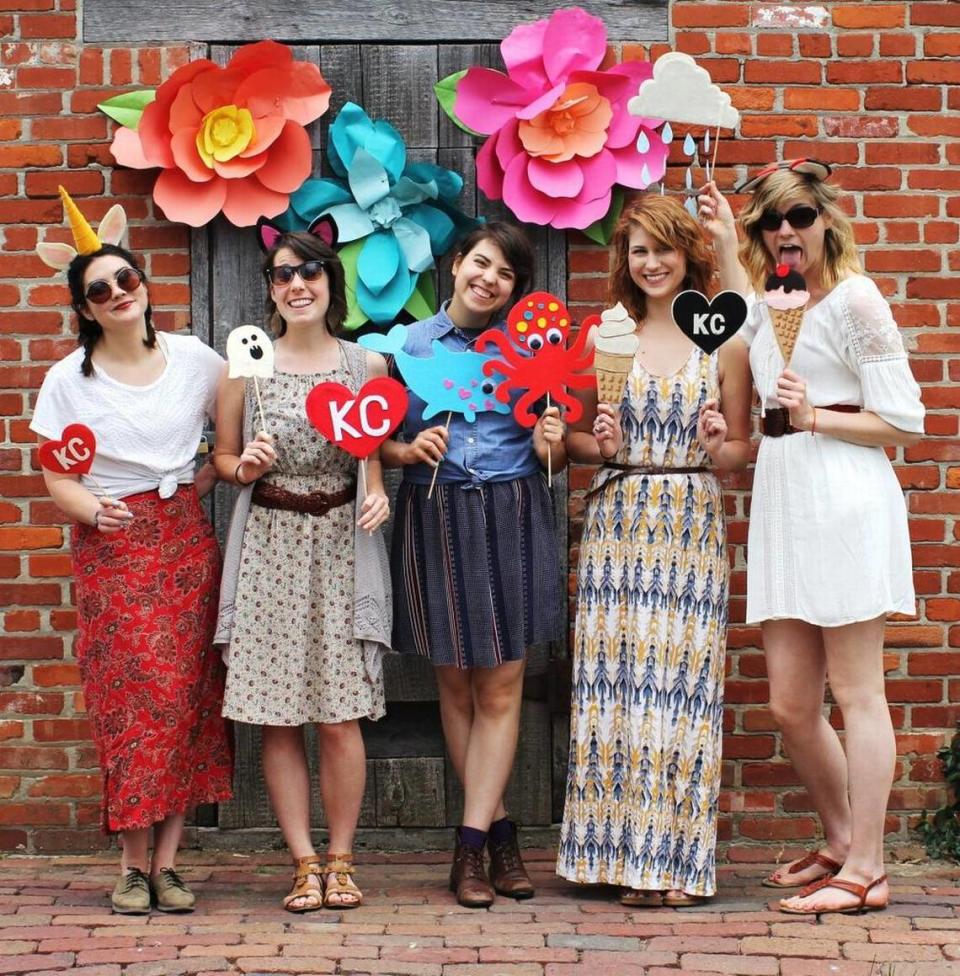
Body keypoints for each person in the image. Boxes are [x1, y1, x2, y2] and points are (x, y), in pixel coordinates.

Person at [699, 159, 925, 915]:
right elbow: (739, 309)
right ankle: (837, 838)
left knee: (858, 692)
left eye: (799, 216)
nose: (786, 231)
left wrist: (816, 416)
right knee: (793, 702)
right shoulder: (777, 298)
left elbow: (904, 421)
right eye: (772, 222)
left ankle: (868, 869)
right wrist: (727, 239)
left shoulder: (856, 298)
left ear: (826, 218)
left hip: (846, 496)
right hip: (787, 501)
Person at [30, 192, 233, 915]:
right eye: (99, 290)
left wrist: (210, 474)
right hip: (111, 548)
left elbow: (235, 424)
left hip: (183, 542)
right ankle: (128, 864)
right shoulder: (67, 380)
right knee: (127, 703)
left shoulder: (194, 359)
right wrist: (92, 507)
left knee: (182, 700)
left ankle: (169, 866)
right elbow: (55, 472)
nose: (118, 294)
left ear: (143, 285)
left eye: (126, 280)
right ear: (83, 308)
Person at [557, 194, 752, 907]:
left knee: (683, 691)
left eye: (664, 248)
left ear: (688, 254)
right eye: (639, 250)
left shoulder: (721, 340)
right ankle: (617, 859)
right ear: (624, 259)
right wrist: (593, 443)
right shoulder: (605, 335)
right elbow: (574, 443)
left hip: (690, 519)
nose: (651, 262)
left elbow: (738, 446)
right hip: (617, 521)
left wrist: (716, 444)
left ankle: (674, 865)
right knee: (616, 686)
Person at [380, 223, 566, 908]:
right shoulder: (411, 346)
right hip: (437, 510)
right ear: (456, 264)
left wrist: (555, 440)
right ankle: (499, 834)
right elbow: (383, 442)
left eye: (506, 273)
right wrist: (409, 449)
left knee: (502, 687)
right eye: (480, 264)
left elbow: (560, 451)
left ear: (516, 288)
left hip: (513, 510)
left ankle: (467, 848)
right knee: (454, 688)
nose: (489, 279)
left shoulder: (530, 350)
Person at [214, 231, 391, 913]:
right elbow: (224, 462)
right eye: (283, 274)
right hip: (270, 546)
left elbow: (370, 459)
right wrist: (245, 467)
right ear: (270, 287)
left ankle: (343, 859)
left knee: (341, 715)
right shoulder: (247, 365)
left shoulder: (365, 364)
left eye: (310, 272)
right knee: (279, 719)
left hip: (341, 548)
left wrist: (375, 492)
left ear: (330, 284)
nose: (298, 285)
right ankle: (303, 862)